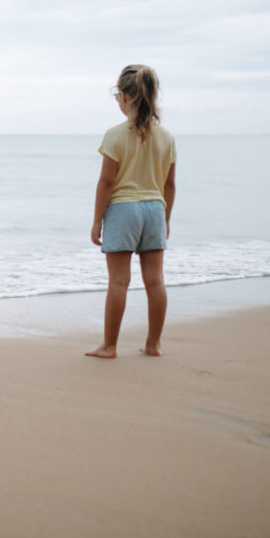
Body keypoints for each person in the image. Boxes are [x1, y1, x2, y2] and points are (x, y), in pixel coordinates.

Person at [86, 65, 176, 359]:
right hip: (154, 209)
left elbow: (106, 182)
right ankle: (154, 344)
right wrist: (166, 219)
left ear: (124, 97)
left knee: (119, 281)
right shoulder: (166, 137)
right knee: (155, 280)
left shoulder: (115, 135)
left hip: (123, 209)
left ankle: (109, 346)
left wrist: (97, 221)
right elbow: (169, 184)